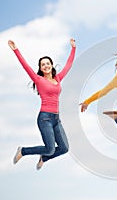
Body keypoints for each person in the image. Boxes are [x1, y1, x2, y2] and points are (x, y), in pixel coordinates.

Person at [8, 38, 76, 170]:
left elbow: (68, 65)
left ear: (51, 65)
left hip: (57, 119)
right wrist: (16, 50)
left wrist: (73, 48)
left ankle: (44, 158)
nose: (45, 66)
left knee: (64, 148)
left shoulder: (57, 79)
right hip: (45, 118)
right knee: (50, 149)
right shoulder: (38, 79)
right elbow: (25, 66)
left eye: (47, 63)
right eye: (42, 65)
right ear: (40, 68)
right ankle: (23, 151)